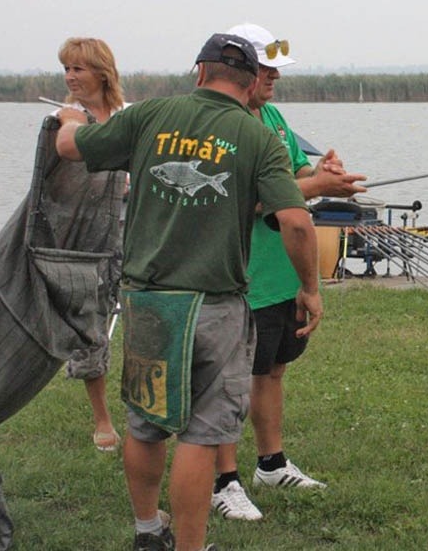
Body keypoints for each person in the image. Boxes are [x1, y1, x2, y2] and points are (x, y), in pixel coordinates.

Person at [56, 32, 322, 551]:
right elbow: (294, 221)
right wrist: (310, 289)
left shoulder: (150, 115)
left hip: (149, 300)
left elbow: (70, 148)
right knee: (202, 436)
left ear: (199, 73)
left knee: (146, 424)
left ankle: (147, 532)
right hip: (217, 305)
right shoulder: (259, 137)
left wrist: (71, 119)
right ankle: (191, 547)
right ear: (250, 85)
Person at [210, 23, 367, 521]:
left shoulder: (273, 116)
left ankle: (271, 463)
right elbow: (251, 199)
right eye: (265, 68)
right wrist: (317, 184)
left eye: (276, 69)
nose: (274, 77)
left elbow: (294, 174)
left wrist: (323, 175)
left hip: (281, 273)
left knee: (273, 369)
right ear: (240, 71)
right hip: (241, 275)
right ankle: (222, 480)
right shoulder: (224, 125)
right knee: (229, 382)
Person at [57, 37, 130, 452]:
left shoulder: (128, 116)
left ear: (102, 71)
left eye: (78, 68)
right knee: (90, 324)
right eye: (67, 69)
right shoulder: (65, 118)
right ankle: (102, 418)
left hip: (134, 229)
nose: (70, 76)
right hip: (88, 237)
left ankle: (144, 406)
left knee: (143, 315)